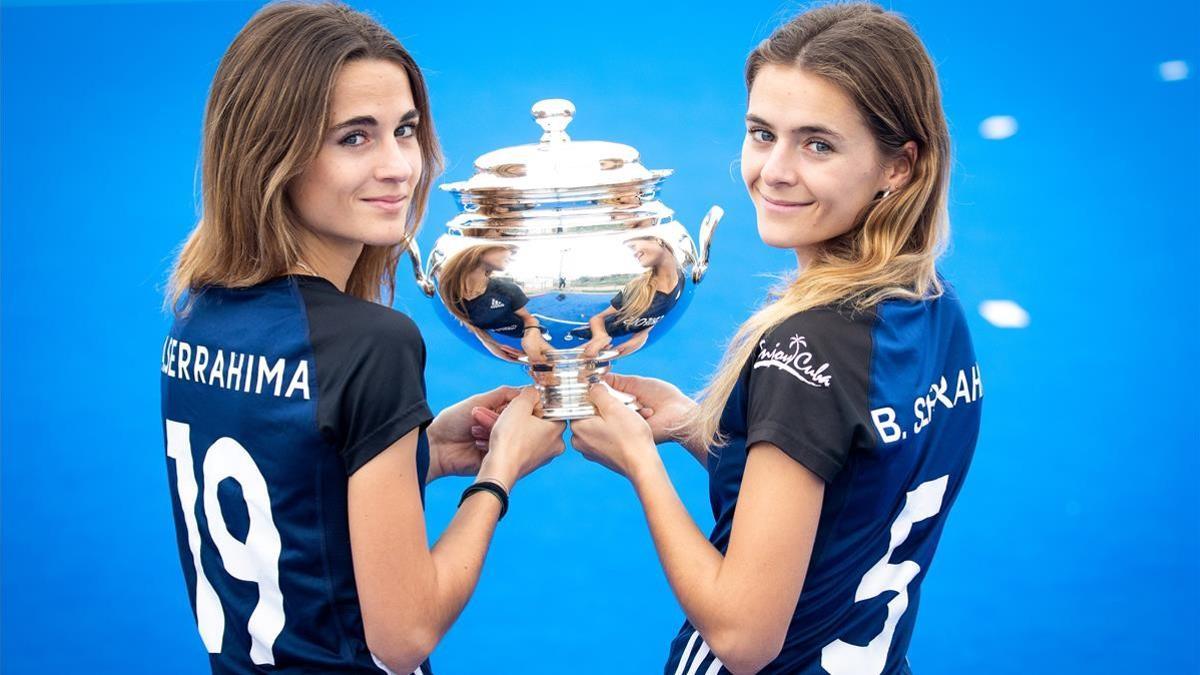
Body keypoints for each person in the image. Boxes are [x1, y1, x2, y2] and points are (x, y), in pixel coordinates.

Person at [564, 4, 984, 673]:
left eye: (818, 145)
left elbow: (742, 637)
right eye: (763, 134)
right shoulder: (935, 306)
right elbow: (850, 498)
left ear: (898, 166)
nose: (775, 171)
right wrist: (696, 428)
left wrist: (640, 460)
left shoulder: (806, 350)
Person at [159, 4, 563, 673]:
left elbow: (292, 501)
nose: (399, 166)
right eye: (354, 138)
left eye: (405, 130)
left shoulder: (196, 315)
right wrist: (500, 472)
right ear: (272, 154)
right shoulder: (372, 344)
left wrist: (426, 450)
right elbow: (403, 638)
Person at [437, 244, 553, 363]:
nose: (512, 255)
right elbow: (472, 324)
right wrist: (490, 343)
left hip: (524, 329)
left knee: (542, 334)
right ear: (480, 247)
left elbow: (529, 318)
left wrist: (532, 333)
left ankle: (544, 333)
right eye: (508, 248)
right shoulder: (452, 296)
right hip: (508, 335)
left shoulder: (506, 289)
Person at [576, 236, 684, 357]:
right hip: (585, 338)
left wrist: (641, 335)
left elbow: (653, 315)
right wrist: (600, 336)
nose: (634, 254)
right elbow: (598, 318)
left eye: (634, 246)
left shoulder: (682, 280)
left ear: (657, 240)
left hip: (616, 342)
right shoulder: (637, 288)